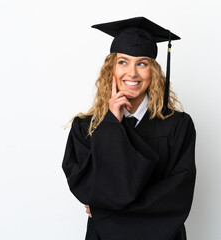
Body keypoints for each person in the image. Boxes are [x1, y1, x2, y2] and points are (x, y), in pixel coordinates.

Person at [62, 17, 196, 240]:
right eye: (123, 62)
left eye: (141, 63)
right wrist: (111, 126)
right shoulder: (86, 127)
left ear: (153, 71)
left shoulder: (178, 126)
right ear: (110, 69)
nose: (132, 73)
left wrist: (106, 209)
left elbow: (176, 196)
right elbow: (87, 187)